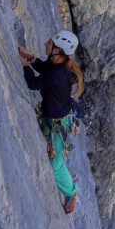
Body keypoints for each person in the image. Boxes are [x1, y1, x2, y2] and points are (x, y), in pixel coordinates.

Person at [18, 30, 84, 214]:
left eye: (50, 43)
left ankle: (70, 192)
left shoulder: (58, 74)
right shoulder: (57, 65)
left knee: (55, 165)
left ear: (57, 50)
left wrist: (24, 65)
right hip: (52, 117)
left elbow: (35, 83)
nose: (46, 43)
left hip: (58, 124)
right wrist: (31, 59)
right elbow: (45, 70)